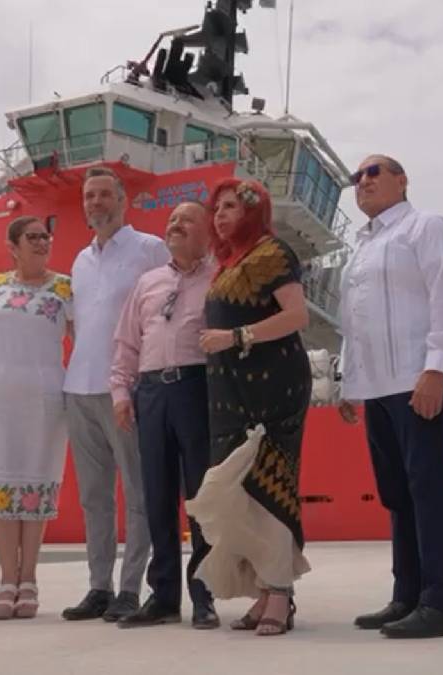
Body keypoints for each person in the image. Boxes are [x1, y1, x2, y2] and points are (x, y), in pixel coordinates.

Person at [337, 155, 443, 639]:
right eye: (357, 177)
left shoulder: (425, 226)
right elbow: (353, 319)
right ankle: (406, 595)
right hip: (376, 386)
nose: (363, 182)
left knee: (429, 490)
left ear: (402, 180)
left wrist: (435, 368)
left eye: (374, 172)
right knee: (397, 493)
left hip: (417, 379)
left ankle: (441, 602)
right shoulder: (361, 247)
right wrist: (349, 382)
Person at [186, 178, 312, 637]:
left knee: (267, 487)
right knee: (238, 493)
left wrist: (236, 337)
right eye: (216, 208)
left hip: (271, 388)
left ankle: (279, 592)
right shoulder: (229, 262)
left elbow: (298, 316)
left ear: (253, 210)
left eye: (231, 207)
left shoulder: (271, 253)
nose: (220, 215)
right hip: (230, 393)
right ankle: (264, 589)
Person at [62, 166, 169, 622]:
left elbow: (164, 311)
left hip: (126, 387)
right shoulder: (80, 261)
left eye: (105, 194)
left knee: (138, 491)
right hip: (79, 387)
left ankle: (130, 588)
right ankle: (99, 586)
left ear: (123, 201)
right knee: (94, 496)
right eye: (90, 196)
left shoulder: (150, 249)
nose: (96, 203)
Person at [111, 201, 220, 630]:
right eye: (172, 220)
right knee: (157, 494)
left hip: (197, 388)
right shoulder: (148, 282)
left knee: (201, 495)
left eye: (186, 220)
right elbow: (126, 342)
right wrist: (121, 392)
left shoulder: (219, 277)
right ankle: (163, 596)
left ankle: (204, 595)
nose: (175, 225)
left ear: (207, 232)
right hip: (152, 391)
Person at [0, 216, 73, 620]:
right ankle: (6, 579)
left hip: (44, 398)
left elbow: (83, 342)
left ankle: (28, 578)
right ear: (12, 246)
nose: (42, 242)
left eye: (45, 236)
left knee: (36, 482)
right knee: (1, 486)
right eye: (32, 237)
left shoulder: (65, 289)